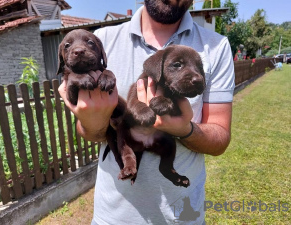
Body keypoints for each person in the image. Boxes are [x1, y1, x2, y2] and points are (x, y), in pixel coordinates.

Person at [58, 0, 235, 224]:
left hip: (182, 216)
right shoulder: (102, 40)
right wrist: (94, 123)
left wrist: (184, 130)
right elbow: (91, 131)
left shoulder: (216, 46)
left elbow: (220, 139)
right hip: (114, 216)